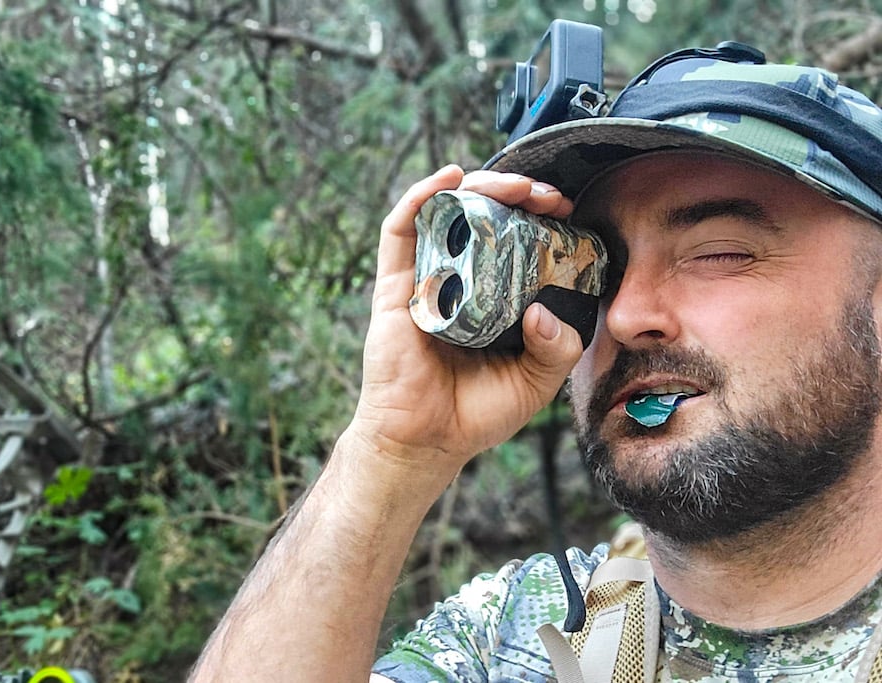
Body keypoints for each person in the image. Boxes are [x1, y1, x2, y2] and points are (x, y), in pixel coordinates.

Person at [190, 42, 882, 682]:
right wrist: (392, 453)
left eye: (718, 253)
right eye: (598, 270)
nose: (623, 315)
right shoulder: (510, 639)